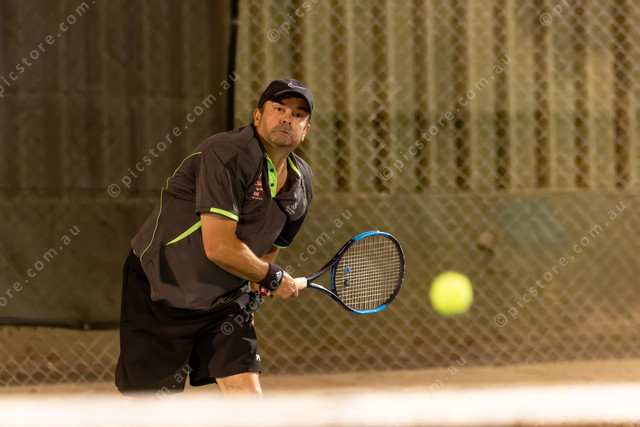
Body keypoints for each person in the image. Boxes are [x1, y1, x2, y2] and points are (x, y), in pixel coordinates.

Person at [115, 79, 314, 395]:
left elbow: (270, 246)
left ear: (305, 131)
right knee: (149, 408)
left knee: (248, 399)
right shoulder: (226, 153)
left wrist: (254, 287)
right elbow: (220, 247)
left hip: (225, 301)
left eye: (298, 114)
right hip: (162, 287)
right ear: (258, 116)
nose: (287, 118)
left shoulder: (301, 183)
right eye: (279, 109)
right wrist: (273, 277)